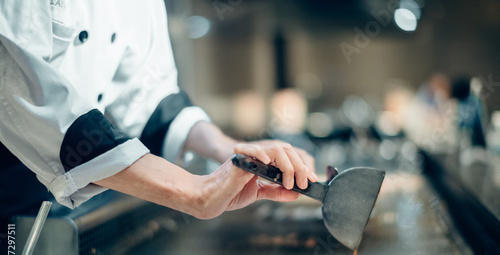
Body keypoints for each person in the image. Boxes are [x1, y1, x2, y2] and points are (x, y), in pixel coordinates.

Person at [0, 0, 317, 235]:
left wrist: (235, 153)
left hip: (55, 211)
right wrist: (196, 193)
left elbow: (146, 96)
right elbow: (26, 99)